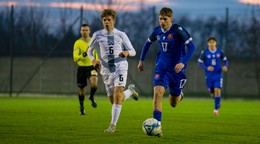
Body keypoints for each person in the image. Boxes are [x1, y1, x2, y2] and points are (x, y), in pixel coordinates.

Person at [137, 7, 196, 136]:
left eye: (165, 19)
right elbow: (147, 43)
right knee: (158, 93)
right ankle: (158, 127)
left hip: (176, 70)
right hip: (161, 68)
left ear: (171, 19)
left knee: (173, 103)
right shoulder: (157, 31)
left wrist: (183, 62)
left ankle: (179, 95)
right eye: (160, 19)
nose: (162, 21)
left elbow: (192, 46)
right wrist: (141, 59)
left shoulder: (178, 30)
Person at [87, 9, 139, 133]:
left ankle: (112, 125)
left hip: (120, 67)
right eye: (104, 20)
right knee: (114, 100)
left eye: (109, 20)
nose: (106, 22)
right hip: (105, 71)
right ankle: (130, 92)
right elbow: (89, 51)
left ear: (113, 21)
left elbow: (133, 51)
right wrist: (94, 60)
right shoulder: (97, 35)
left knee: (117, 95)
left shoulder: (121, 34)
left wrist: (126, 52)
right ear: (102, 21)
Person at [198, 37, 228, 116]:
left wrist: (225, 66)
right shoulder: (204, 52)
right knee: (212, 94)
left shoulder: (219, 52)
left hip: (218, 74)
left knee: (217, 89)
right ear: (208, 43)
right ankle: (217, 102)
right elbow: (200, 63)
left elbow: (225, 60)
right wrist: (206, 67)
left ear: (216, 43)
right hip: (209, 76)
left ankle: (215, 110)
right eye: (210, 42)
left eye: (213, 42)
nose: (211, 44)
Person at [73, 24, 99, 115]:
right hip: (81, 68)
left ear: (89, 31)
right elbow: (75, 58)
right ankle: (82, 107)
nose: (85, 32)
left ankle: (91, 97)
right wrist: (83, 55)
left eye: (86, 30)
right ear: (80, 31)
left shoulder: (93, 42)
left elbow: (97, 54)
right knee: (81, 90)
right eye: (83, 30)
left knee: (94, 83)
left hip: (91, 66)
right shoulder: (77, 43)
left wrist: (98, 62)